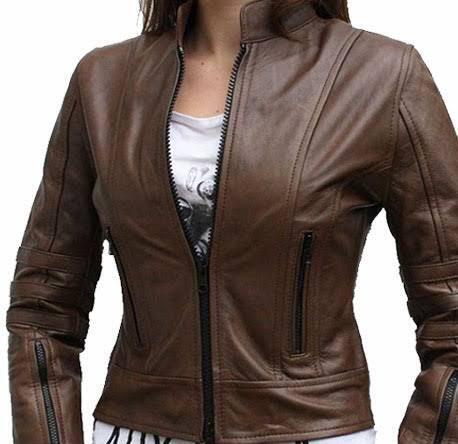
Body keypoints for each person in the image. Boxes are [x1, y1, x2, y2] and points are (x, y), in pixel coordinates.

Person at [6, 0, 458, 443]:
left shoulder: (378, 74)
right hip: (137, 427)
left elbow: (451, 309)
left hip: (308, 427)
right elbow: (43, 307)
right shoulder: (104, 81)